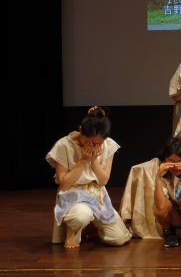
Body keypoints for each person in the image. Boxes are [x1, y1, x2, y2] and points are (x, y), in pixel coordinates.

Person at [46, 106, 131, 249]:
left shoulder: (108, 145)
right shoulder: (64, 145)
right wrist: (83, 160)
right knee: (81, 216)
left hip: (97, 195)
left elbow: (103, 181)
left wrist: (93, 160)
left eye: (99, 143)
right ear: (81, 130)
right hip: (73, 194)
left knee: (119, 238)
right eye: (90, 142)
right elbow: (64, 184)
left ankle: (92, 225)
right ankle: (73, 230)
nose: (94, 146)